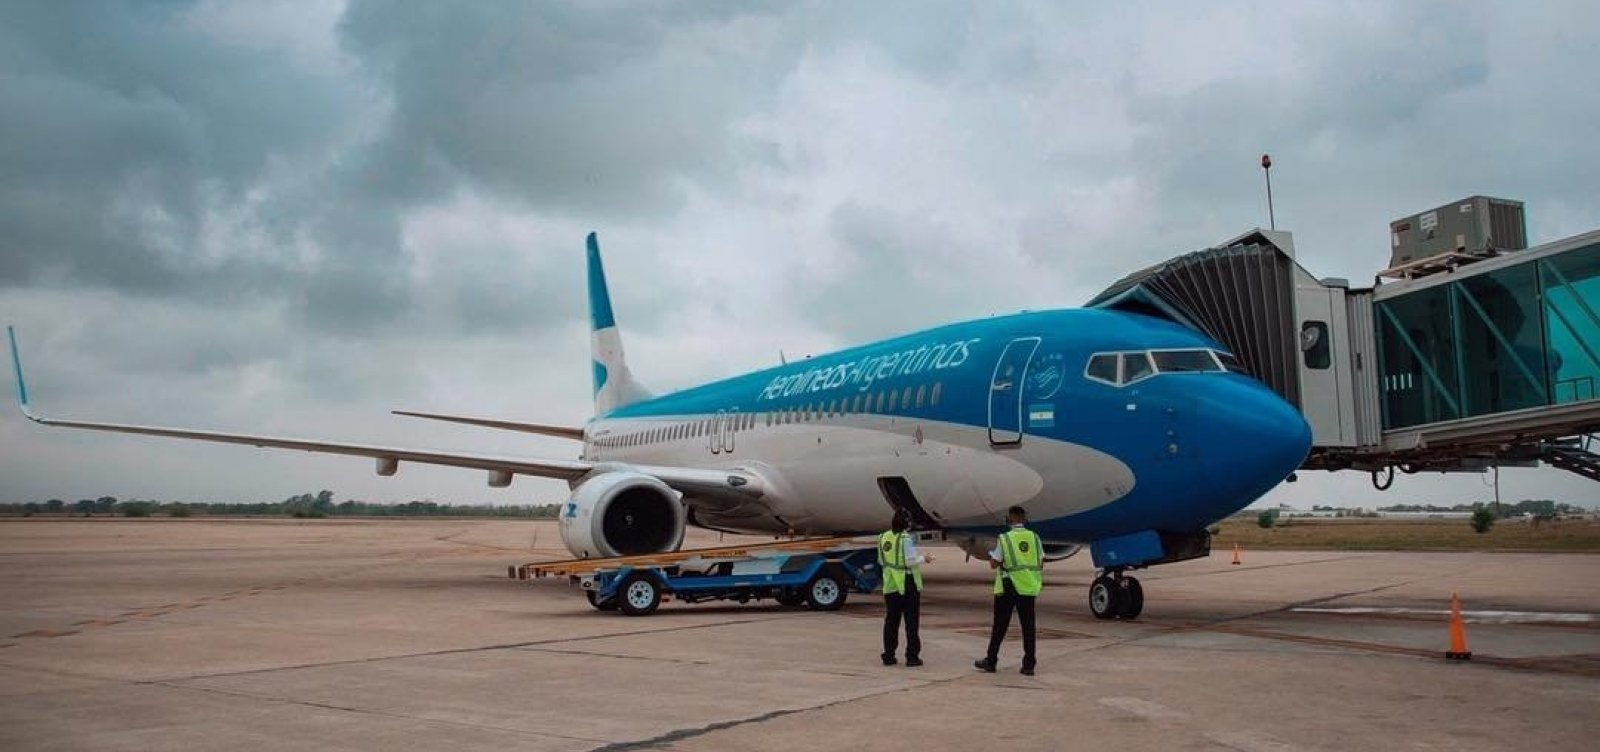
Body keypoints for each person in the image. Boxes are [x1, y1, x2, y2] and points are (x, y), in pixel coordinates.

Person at [974, 505, 1043, 676]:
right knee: (1028, 627)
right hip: (1028, 586)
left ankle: (991, 660)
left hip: (1009, 586)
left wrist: (993, 558)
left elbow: (994, 563)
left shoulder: (1005, 538)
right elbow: (1041, 561)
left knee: (1000, 625)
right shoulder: (1035, 537)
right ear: (1025, 519)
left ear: (1009, 519)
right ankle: (1029, 665)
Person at [879, 509, 933, 666]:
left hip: (890, 584)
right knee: (911, 622)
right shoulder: (905, 539)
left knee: (891, 621)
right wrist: (925, 558)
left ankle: (888, 655)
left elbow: (881, 560)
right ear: (907, 523)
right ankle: (912, 656)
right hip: (907, 583)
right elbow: (910, 561)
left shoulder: (883, 537)